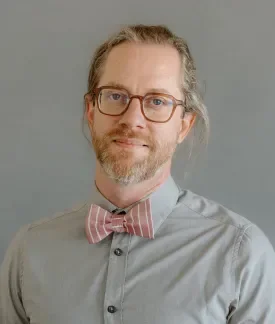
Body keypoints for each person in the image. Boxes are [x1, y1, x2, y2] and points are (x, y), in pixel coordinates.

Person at [1, 24, 275, 324]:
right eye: (115, 96)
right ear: (91, 112)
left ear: (184, 125)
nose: (132, 119)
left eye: (157, 101)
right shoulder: (30, 252)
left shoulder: (241, 254)